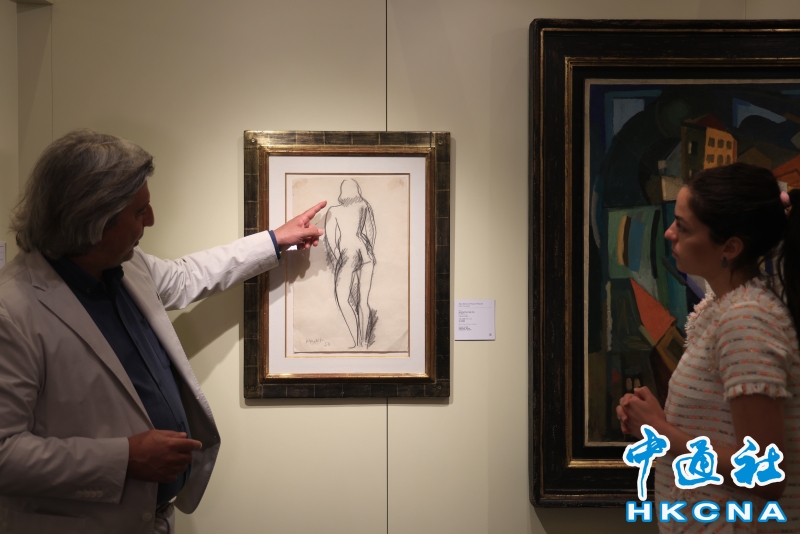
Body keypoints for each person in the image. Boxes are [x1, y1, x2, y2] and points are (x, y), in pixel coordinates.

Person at [0, 130, 326, 534]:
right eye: (140, 212)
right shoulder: (12, 310)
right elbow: (4, 453)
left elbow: (188, 276)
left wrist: (275, 241)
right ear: (93, 220)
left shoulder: (127, 265)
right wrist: (124, 459)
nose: (151, 220)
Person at [617, 162, 800, 532]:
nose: (669, 233)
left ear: (729, 247)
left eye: (683, 227)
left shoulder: (745, 319)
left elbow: (764, 474)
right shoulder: (723, 308)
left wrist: (658, 432)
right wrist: (664, 421)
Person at [323, 178, 377, 348]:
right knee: (363, 302)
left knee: (342, 298)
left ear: (342, 191)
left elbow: (331, 240)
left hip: (348, 253)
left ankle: (356, 342)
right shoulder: (364, 205)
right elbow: (371, 233)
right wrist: (368, 251)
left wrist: (340, 257)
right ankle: (364, 344)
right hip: (366, 253)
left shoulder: (333, 211)